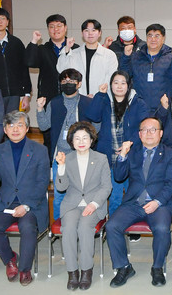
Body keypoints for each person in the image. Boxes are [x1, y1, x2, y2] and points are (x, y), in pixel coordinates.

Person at [106, 117, 172, 288]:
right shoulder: (133, 152)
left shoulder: (170, 154)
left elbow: (171, 184)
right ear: (139, 134)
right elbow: (119, 177)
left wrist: (157, 202)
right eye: (144, 129)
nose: (149, 133)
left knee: (162, 228)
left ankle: (157, 267)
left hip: (159, 203)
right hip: (134, 203)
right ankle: (124, 267)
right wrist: (122, 155)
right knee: (111, 226)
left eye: (153, 129)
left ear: (161, 133)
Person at [0, 111, 50, 286]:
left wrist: (26, 205)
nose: (15, 129)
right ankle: (10, 259)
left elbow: (42, 182)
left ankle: (25, 269)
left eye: (20, 125)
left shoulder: (40, 150)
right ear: (5, 130)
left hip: (32, 203)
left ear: (27, 128)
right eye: (11, 125)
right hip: (6, 203)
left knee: (27, 227)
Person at [54, 121, 112, 291]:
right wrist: (61, 167)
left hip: (94, 204)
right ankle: (72, 272)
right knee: (69, 228)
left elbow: (106, 186)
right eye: (77, 138)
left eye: (85, 138)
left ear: (91, 140)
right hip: (72, 204)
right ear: (71, 141)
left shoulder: (101, 158)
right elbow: (61, 187)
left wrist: (93, 204)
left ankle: (86, 270)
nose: (81, 141)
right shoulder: (67, 158)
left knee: (85, 227)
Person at [85, 70, 150, 214]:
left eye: (123, 83)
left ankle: (132, 223)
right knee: (115, 197)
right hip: (109, 156)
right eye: (116, 83)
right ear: (111, 85)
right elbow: (92, 116)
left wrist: (130, 143)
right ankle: (114, 224)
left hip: (130, 156)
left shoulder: (138, 102)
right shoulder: (104, 100)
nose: (119, 86)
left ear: (128, 85)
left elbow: (145, 127)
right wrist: (100, 95)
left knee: (133, 195)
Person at [35, 68, 93, 219]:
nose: (68, 84)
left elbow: (96, 128)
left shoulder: (87, 102)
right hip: (60, 156)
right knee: (59, 195)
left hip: (82, 156)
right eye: (64, 81)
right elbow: (44, 126)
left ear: (79, 84)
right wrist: (40, 109)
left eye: (72, 81)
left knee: (83, 194)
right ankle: (59, 225)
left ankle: (82, 224)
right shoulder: (54, 103)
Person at [26, 14, 78, 149]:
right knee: (49, 135)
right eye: (52, 27)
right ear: (48, 29)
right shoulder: (42, 49)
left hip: (71, 97)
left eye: (59, 26)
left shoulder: (75, 48)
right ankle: (50, 160)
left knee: (73, 134)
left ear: (65, 28)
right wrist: (34, 41)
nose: (56, 29)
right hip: (48, 97)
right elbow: (30, 62)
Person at [120, 23, 172, 114]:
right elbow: (124, 76)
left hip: (163, 109)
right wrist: (126, 57)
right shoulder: (135, 57)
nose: (153, 39)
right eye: (150, 36)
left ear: (163, 38)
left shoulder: (171, 58)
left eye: (157, 36)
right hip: (139, 108)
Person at [57, 19, 118, 96]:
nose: (90, 33)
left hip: (101, 98)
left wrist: (97, 96)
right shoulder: (74, 54)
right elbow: (61, 69)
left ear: (100, 33)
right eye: (86, 30)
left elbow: (111, 79)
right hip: (78, 98)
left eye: (93, 30)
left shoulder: (109, 55)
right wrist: (67, 48)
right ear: (82, 33)